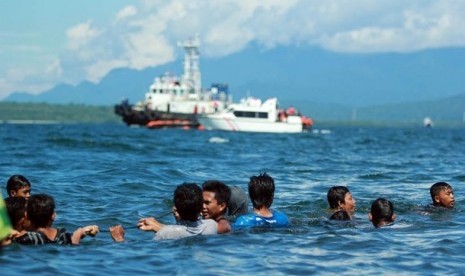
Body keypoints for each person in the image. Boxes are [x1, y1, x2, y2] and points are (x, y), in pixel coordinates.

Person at [111, 183, 217, 241]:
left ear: (176, 208)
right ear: (201, 207)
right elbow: (186, 231)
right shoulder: (212, 225)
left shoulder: (164, 234)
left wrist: (119, 239)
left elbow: (145, 259)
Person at [13, 194, 99, 245]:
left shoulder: (27, 238)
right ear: (53, 216)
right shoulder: (64, 236)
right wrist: (80, 233)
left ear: (27, 216)